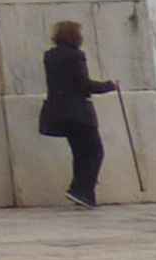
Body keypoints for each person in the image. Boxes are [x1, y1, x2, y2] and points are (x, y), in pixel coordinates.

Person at [41, 19, 120, 208]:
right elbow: (83, 84)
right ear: (74, 36)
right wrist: (109, 86)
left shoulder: (50, 56)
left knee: (80, 153)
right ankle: (81, 190)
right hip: (79, 113)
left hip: (58, 112)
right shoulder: (76, 56)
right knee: (95, 152)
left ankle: (84, 194)